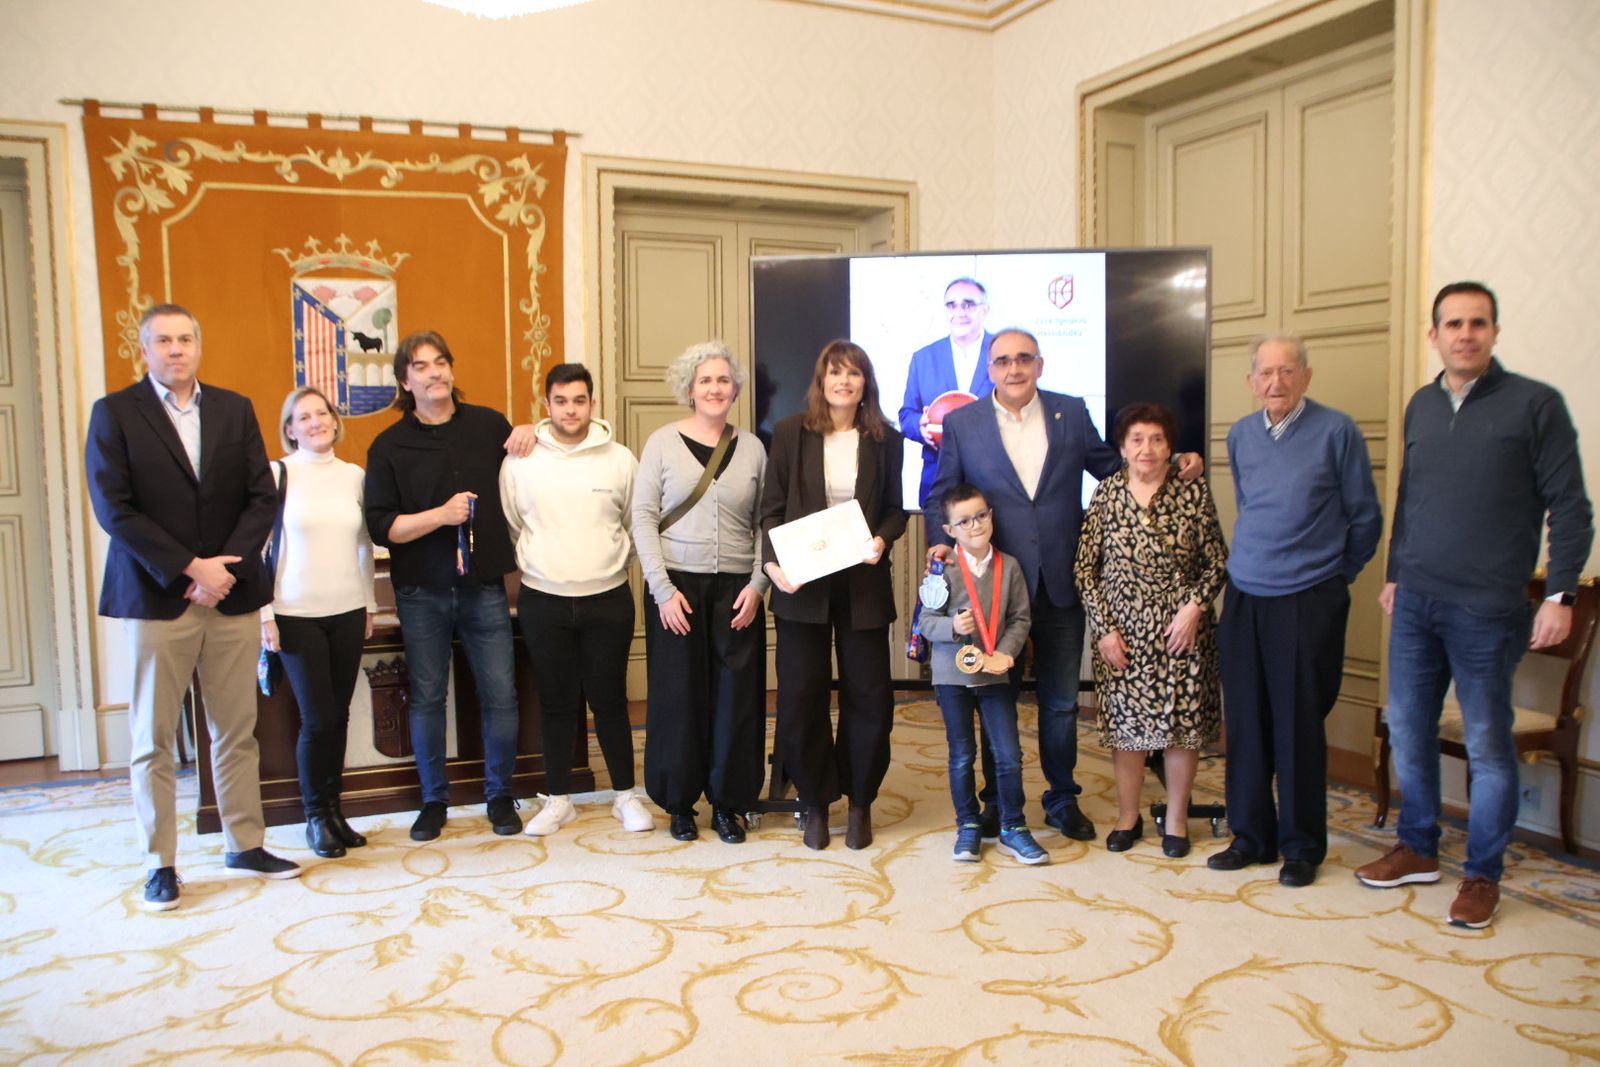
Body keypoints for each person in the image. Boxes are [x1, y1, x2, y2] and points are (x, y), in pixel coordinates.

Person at [1357, 282, 1592, 927]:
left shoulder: (1534, 405)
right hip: (1416, 602)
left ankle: (1483, 875)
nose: (1465, 334)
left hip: (1488, 609)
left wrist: (1561, 594)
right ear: (1434, 334)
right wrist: (1397, 572)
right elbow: (1414, 498)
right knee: (1408, 728)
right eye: (1453, 324)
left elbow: (1571, 508)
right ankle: (1418, 846)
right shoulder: (1422, 405)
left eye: (1477, 323)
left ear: (1493, 332)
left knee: (1489, 746)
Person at [928, 327, 1204, 843]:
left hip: (1060, 578)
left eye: (1024, 359)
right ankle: (997, 803)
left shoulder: (1070, 411)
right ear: (989, 370)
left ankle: (1060, 798)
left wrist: (1176, 459)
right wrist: (941, 543)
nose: (1014, 368)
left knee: (1058, 703)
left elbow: (1112, 467)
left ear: (1040, 364)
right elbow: (942, 491)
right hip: (995, 586)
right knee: (994, 698)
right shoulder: (962, 422)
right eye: (1004, 360)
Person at [85, 303, 300, 911]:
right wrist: (188, 568)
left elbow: (262, 496)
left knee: (236, 730)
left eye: (185, 339)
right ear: (145, 349)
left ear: (198, 347)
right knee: (151, 738)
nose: (175, 350)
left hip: (230, 595)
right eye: (163, 340)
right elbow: (114, 508)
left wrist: (222, 570)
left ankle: (245, 842)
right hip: (158, 596)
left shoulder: (234, 408)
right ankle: (161, 863)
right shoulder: (116, 413)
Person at [1210, 335, 1381, 888]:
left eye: (1287, 372)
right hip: (1245, 594)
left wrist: (1333, 578)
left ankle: (1302, 846)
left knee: (1298, 725)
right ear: (1252, 381)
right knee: (1247, 721)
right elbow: (1254, 506)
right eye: (1265, 373)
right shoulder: (1240, 434)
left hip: (1309, 596)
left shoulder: (1338, 431)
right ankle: (1251, 836)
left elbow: (1365, 519)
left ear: (1305, 377)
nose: (1276, 383)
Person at [364, 330, 537, 843]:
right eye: (421, 366)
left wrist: (530, 427)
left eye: (441, 363)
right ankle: (433, 801)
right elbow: (382, 527)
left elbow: (539, 459)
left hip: (484, 586)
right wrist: (440, 516)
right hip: (422, 590)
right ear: (405, 380)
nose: (434, 372)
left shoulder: (488, 425)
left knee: (501, 696)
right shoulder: (388, 445)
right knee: (427, 699)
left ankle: (499, 796)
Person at [763, 340, 909, 851]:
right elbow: (771, 510)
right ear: (821, 381)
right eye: (834, 373)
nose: (844, 382)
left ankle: (861, 800)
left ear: (866, 382)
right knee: (801, 697)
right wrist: (772, 564)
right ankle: (816, 802)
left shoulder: (888, 440)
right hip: (802, 586)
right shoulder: (789, 434)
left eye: (854, 373)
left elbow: (894, 509)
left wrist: (882, 538)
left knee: (868, 696)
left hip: (863, 583)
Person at [500, 363, 653, 837]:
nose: (571, 409)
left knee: (610, 700)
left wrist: (605, 562)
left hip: (607, 597)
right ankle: (559, 798)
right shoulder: (520, 460)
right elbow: (513, 523)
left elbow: (635, 523)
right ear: (547, 404)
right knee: (557, 702)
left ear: (592, 403)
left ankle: (625, 795)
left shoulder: (620, 459)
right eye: (561, 401)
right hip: (543, 599)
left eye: (580, 400)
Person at [1075, 403, 1228, 859]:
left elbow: (1218, 559)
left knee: (1181, 729)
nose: (1147, 448)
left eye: (1157, 439)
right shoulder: (1106, 494)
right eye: (1137, 439)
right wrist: (1104, 631)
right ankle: (1128, 815)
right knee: (1128, 731)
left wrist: (1194, 609)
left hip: (1184, 634)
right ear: (1122, 447)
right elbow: (1085, 570)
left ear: (1171, 446)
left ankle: (1177, 819)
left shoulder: (1192, 491)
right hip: (1122, 635)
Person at [632, 341, 770, 844]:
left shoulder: (753, 447)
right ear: (689, 389)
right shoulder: (662, 443)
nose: (715, 388)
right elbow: (643, 518)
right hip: (677, 587)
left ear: (735, 389)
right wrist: (662, 590)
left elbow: (764, 524)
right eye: (705, 380)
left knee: (737, 698)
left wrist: (758, 586)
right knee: (678, 696)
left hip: (737, 588)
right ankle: (680, 803)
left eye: (723, 380)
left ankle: (730, 803)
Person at [259, 385, 377, 859]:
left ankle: (335, 812)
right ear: (290, 429)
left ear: (334, 419)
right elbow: (258, 549)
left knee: (340, 716)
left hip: (347, 610)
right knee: (318, 719)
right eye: (303, 417)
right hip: (295, 614)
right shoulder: (277, 474)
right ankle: (315, 816)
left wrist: (368, 602)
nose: (315, 422)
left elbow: (366, 544)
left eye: (321, 413)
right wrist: (264, 613)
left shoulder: (354, 476)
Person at [918, 483, 1044, 865]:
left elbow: (1021, 618)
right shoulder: (941, 568)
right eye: (964, 521)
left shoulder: (1010, 567)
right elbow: (926, 622)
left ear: (991, 516)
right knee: (961, 754)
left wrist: (1005, 653)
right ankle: (968, 825)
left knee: (1007, 753)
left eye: (981, 516)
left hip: (994, 673)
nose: (975, 525)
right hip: (951, 676)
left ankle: (1014, 826)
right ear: (949, 529)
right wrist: (954, 626)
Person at [899, 278, 996, 509]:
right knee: (941, 546)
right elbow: (906, 415)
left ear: (985, 310)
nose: (959, 312)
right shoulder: (923, 358)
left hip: (994, 479)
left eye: (968, 304)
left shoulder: (1004, 353)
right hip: (939, 481)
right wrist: (920, 426)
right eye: (951, 305)